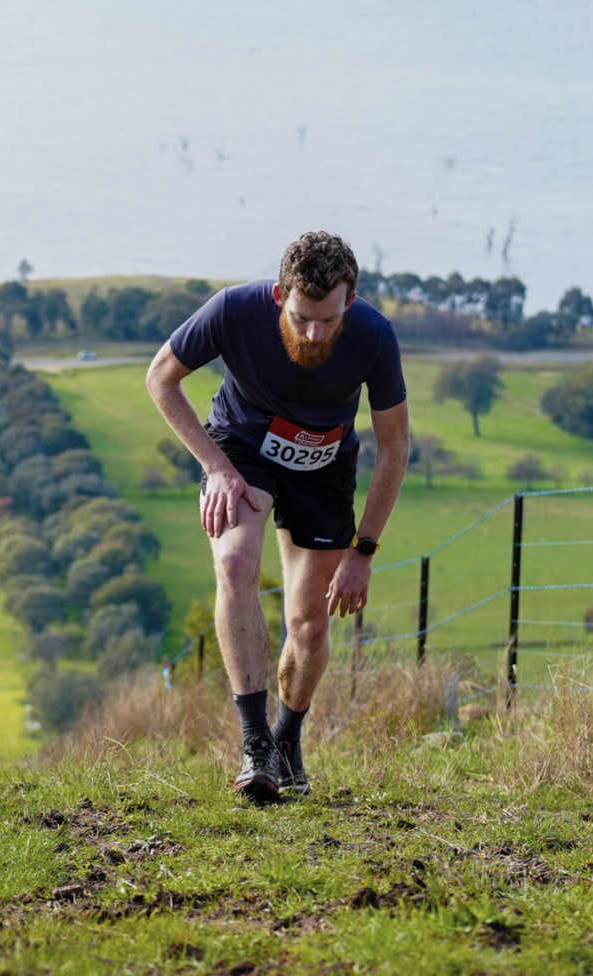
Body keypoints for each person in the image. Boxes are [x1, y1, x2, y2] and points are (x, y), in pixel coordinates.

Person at [147, 230, 409, 801]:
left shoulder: (373, 336)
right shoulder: (233, 310)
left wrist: (364, 552)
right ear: (278, 295)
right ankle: (254, 743)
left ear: (351, 302)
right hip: (241, 447)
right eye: (301, 317)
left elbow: (395, 448)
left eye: (329, 320)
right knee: (236, 562)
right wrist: (215, 468)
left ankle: (287, 738)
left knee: (309, 626)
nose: (315, 334)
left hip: (323, 465)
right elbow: (160, 378)